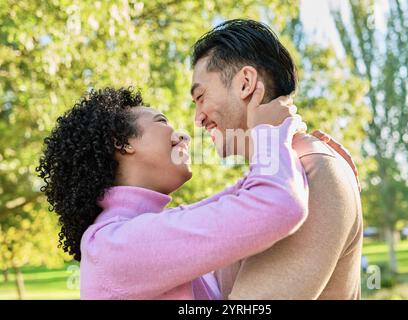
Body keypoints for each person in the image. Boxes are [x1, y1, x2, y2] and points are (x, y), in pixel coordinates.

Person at [36, 86, 309, 299]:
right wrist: (269, 133)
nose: (184, 136)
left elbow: (242, 197)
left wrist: (310, 151)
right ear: (122, 143)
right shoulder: (113, 244)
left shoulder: (133, 233)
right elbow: (279, 204)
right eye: (161, 121)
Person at [191, 19, 363, 299]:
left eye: (201, 97)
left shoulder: (310, 171)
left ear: (245, 83)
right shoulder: (277, 177)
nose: (198, 118)